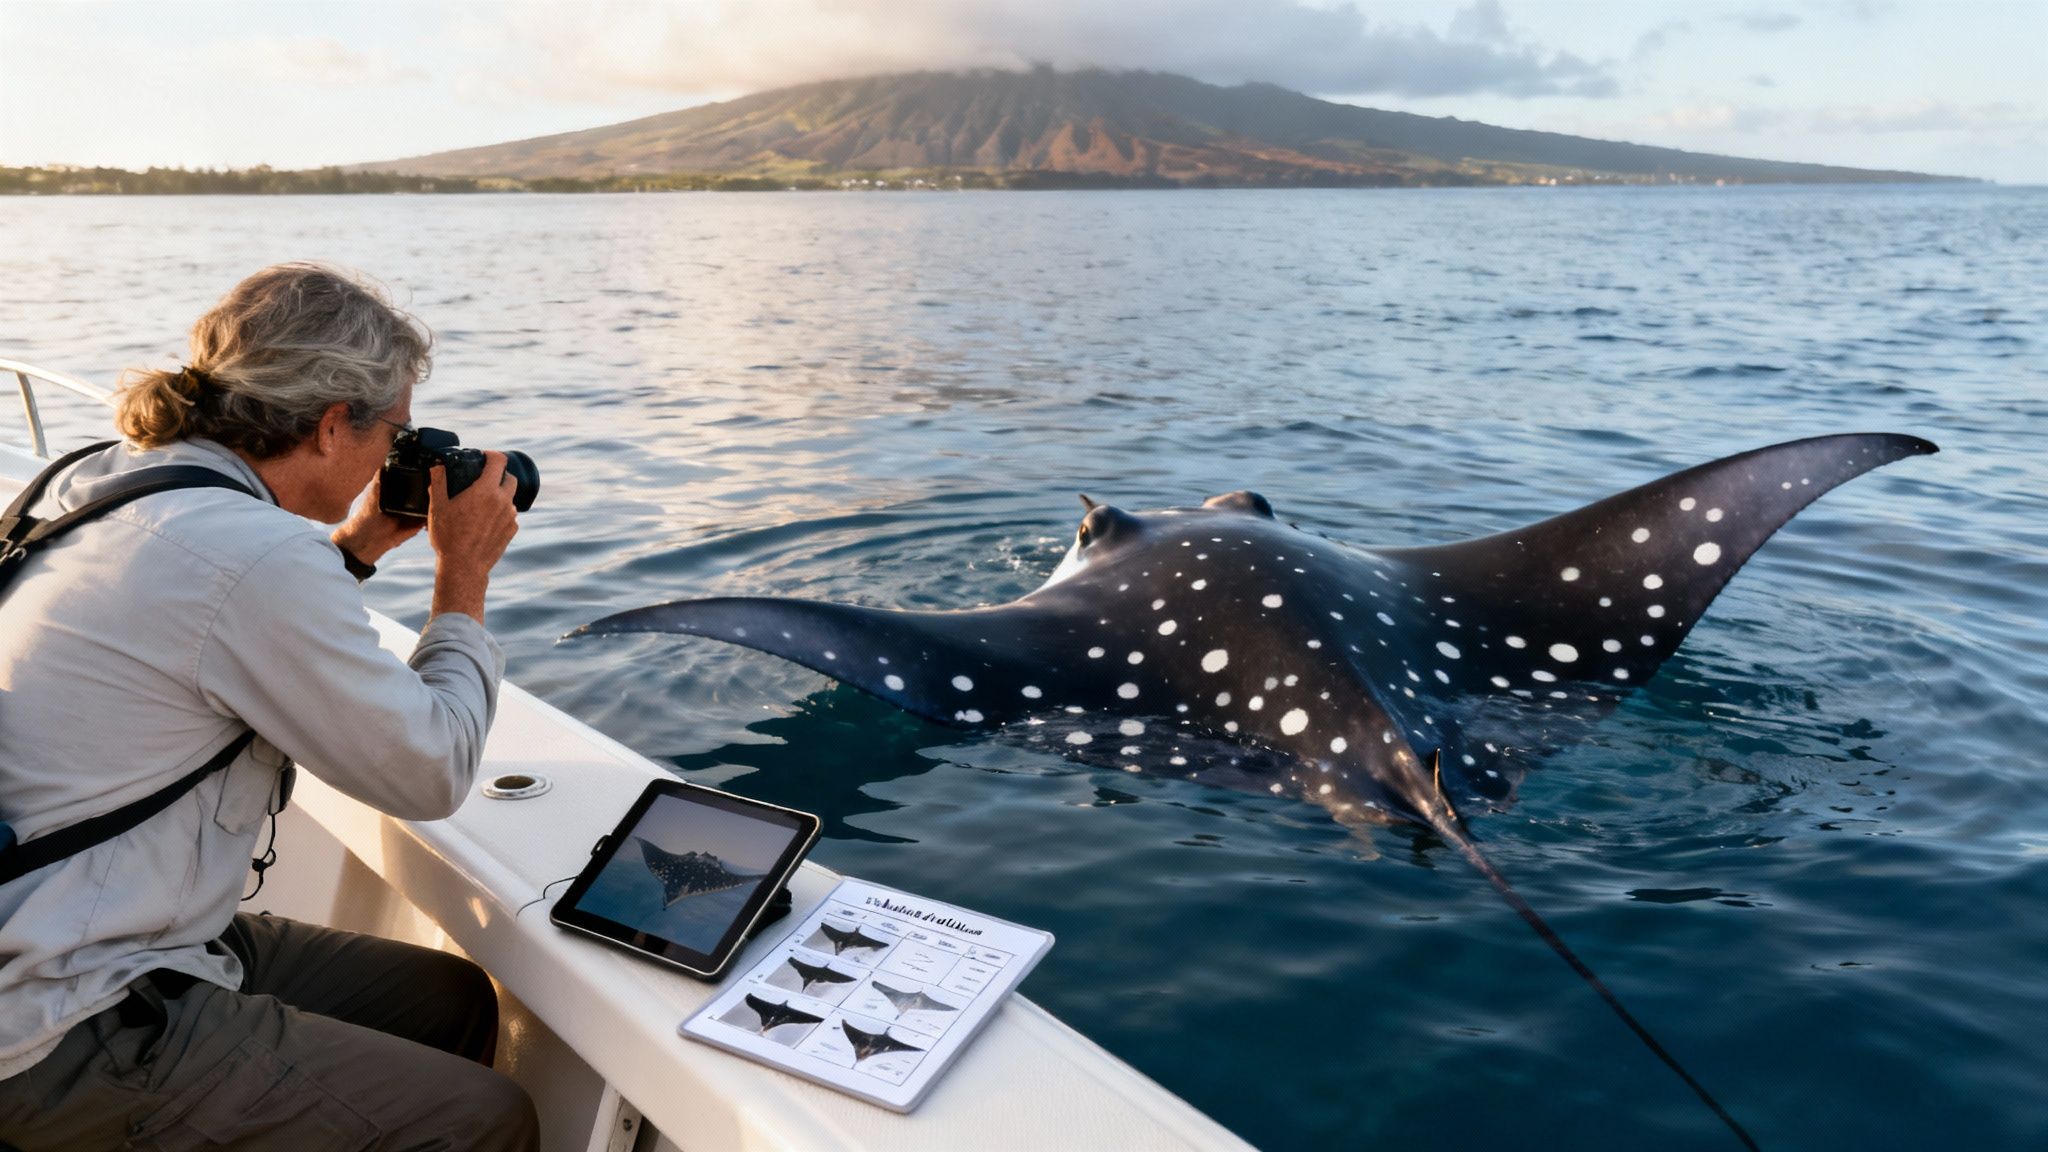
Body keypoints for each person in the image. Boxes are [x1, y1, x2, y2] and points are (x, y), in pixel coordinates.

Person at [0, 263, 538, 1149]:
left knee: (445, 999)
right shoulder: (255, 556)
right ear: (333, 427)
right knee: (484, 1120)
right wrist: (462, 579)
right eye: (393, 433)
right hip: (58, 1017)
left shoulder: (97, 479)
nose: (391, 460)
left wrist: (359, 545)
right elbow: (431, 768)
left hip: (45, 920)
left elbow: (209, 620)